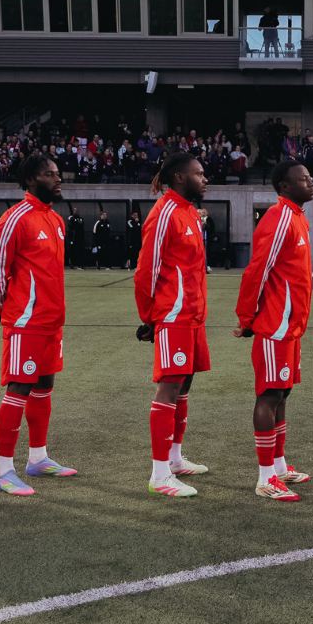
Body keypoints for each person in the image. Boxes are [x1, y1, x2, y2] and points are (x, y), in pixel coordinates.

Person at [0, 153, 77, 497]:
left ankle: (38, 458)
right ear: (33, 179)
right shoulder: (16, 217)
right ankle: (4, 471)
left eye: (58, 173)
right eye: (51, 174)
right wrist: (0, 307)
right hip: (26, 321)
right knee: (19, 388)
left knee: (44, 384)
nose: (58, 178)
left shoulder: (55, 219)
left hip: (52, 321)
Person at [234, 159, 313, 502]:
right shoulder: (279, 217)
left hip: (291, 327)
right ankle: (265, 476)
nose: (311, 183)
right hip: (275, 325)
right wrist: (246, 318)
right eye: (304, 179)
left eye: (310, 177)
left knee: (283, 394)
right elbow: (257, 269)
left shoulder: (298, 217)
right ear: (285, 186)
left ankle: (280, 467)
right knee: (269, 395)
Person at [135, 152, 211, 498]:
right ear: (180, 177)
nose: (204, 179)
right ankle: (159, 474)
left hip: (193, 316)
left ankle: (176, 459)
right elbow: (146, 270)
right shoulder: (164, 212)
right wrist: (150, 316)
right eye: (199, 173)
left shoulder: (190, 212)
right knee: (169, 388)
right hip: (173, 315)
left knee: (184, 385)